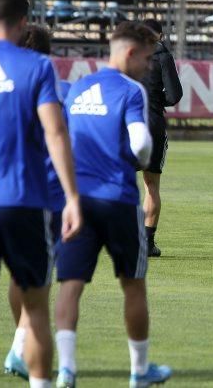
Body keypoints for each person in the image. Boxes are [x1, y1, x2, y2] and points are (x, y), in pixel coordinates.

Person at [0, 0, 82, 388]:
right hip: (22, 199)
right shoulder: (35, 67)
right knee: (36, 308)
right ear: (23, 22)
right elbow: (55, 130)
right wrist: (73, 196)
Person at [54, 21, 172, 388]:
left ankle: (67, 370)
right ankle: (139, 371)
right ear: (130, 52)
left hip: (78, 200)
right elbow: (139, 143)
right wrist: (142, 158)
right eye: (148, 59)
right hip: (118, 199)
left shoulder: (78, 88)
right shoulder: (130, 90)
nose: (150, 66)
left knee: (70, 285)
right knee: (133, 286)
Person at [3, 24, 74, 380]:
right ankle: (24, 350)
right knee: (51, 279)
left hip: (16, 192)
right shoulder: (66, 90)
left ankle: (21, 343)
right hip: (55, 196)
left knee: (23, 274)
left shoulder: (8, 90)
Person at [139, 18, 182, 257]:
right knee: (151, 185)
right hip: (152, 123)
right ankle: (147, 242)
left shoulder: (128, 54)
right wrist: (156, 101)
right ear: (160, 36)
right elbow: (175, 95)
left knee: (120, 182)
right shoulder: (163, 57)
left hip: (126, 123)